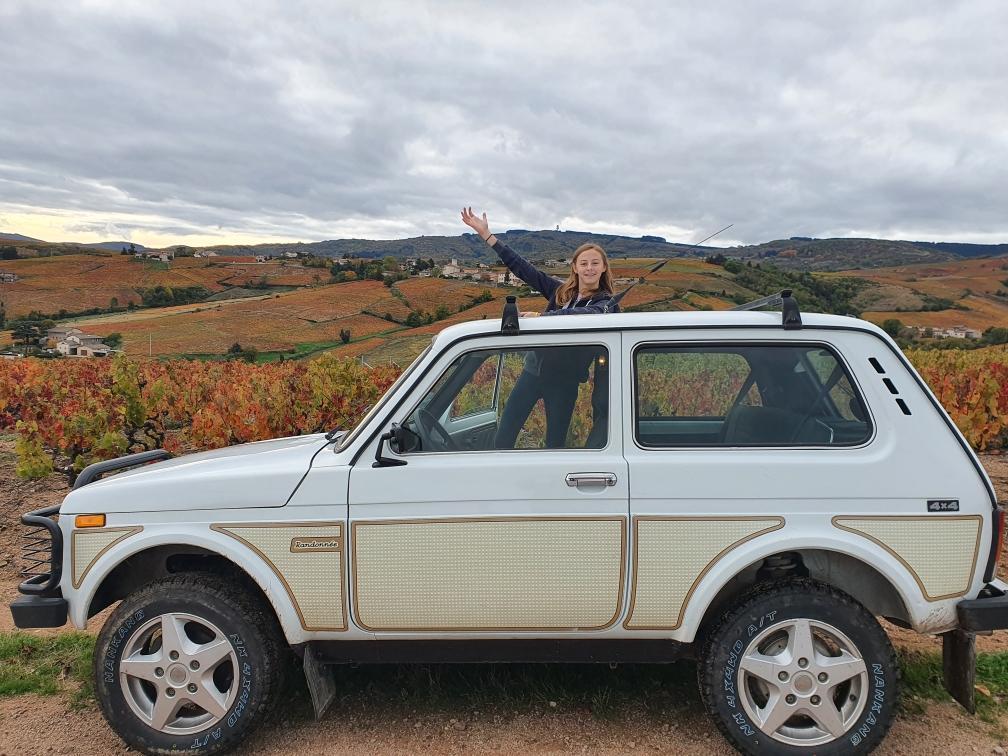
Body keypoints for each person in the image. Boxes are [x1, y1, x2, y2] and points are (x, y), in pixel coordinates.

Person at [460, 207, 619, 448]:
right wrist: (487, 235)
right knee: (504, 434)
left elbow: (590, 315)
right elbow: (524, 269)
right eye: (583, 263)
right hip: (532, 374)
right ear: (574, 267)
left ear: (604, 267)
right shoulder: (560, 292)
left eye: (595, 263)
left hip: (564, 383)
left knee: (554, 444)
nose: (589, 268)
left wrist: (545, 318)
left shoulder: (605, 304)